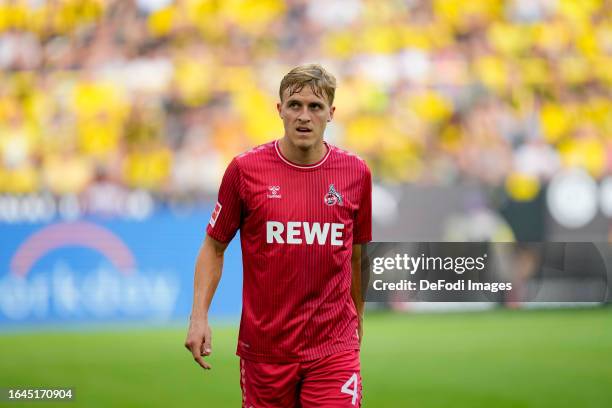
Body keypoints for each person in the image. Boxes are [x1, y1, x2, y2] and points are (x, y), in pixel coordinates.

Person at [184, 63, 372, 407]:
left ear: (331, 113)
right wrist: (199, 317)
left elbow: (358, 255)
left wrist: (358, 314)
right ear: (279, 110)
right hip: (265, 351)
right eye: (295, 105)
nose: (304, 116)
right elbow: (214, 247)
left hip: (334, 347)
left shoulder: (356, 174)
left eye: (315, 107)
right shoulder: (245, 171)